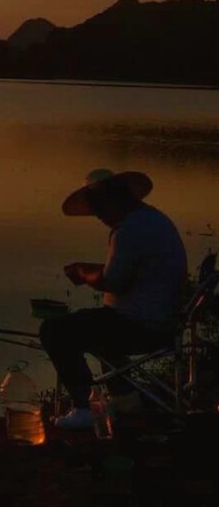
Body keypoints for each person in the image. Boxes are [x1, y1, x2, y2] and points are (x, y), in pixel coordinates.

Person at [39, 168, 187, 430]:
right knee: (97, 325)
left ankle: (84, 408)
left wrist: (82, 272)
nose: (99, 217)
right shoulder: (151, 220)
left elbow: (112, 282)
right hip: (160, 321)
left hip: (143, 327)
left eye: (99, 210)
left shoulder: (129, 229)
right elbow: (129, 271)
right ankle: (124, 400)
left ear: (114, 201)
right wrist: (90, 270)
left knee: (55, 330)